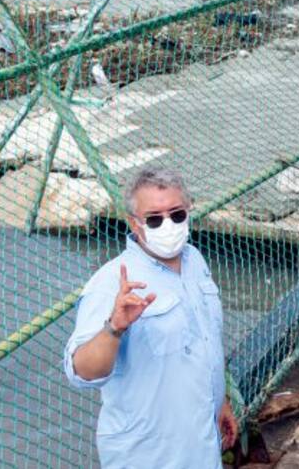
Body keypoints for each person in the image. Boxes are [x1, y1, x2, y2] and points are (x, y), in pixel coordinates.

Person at [64, 168, 236, 468]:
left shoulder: (194, 260)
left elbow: (205, 340)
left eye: (177, 215)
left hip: (201, 445)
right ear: (135, 223)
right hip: (149, 454)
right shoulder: (111, 284)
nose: (168, 225)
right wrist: (114, 328)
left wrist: (220, 401)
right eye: (154, 219)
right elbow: (80, 372)